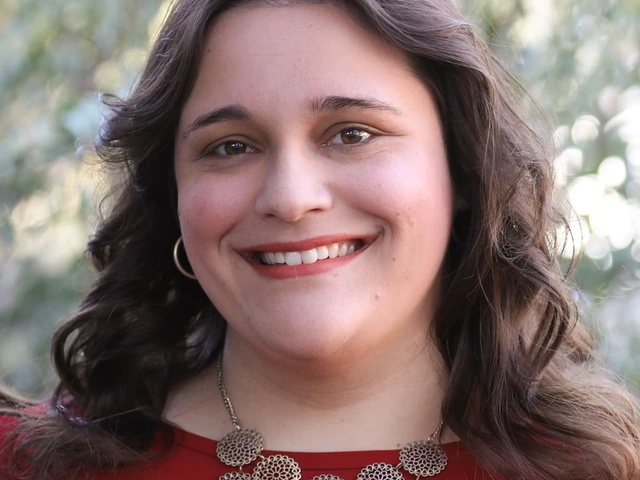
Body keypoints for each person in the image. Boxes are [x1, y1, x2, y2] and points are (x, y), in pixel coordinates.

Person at [1, 0, 639, 479]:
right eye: (230, 147)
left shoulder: (603, 467)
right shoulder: (28, 465)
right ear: (174, 198)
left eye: (352, 134)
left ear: (463, 170)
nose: (289, 197)